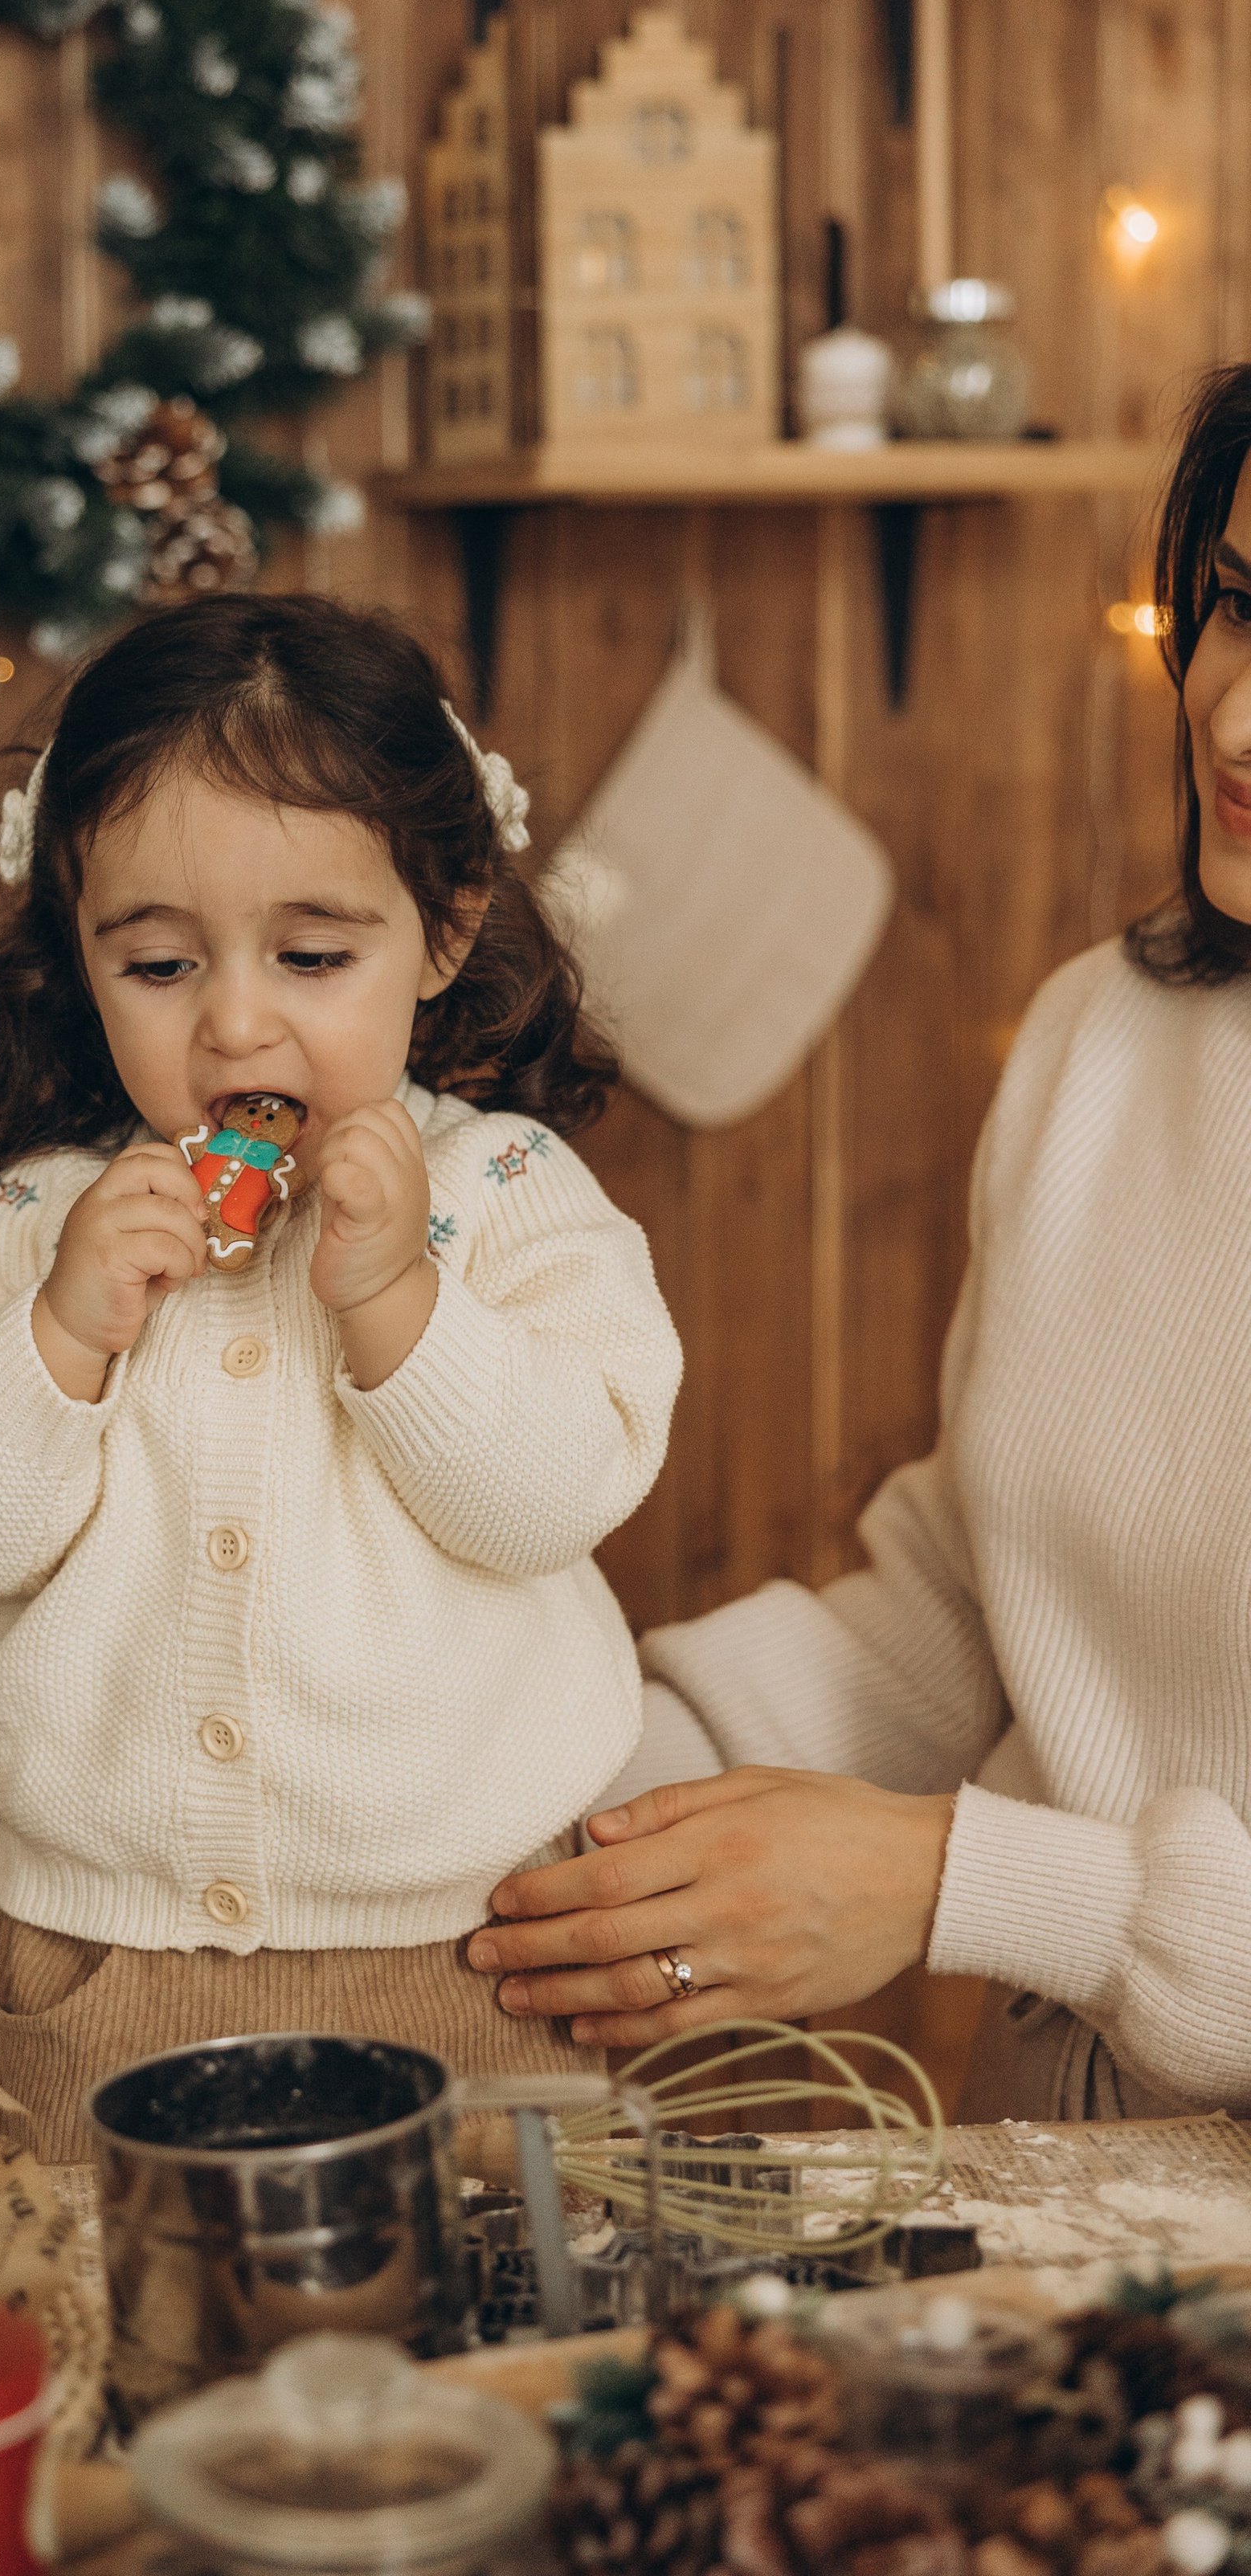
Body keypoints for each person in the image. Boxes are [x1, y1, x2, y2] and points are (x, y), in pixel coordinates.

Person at [464, 365, 1251, 2124]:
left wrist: (962, 1884)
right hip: (1056, 2202)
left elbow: (952, 1856)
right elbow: (970, 1601)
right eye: (1234, 606)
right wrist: (556, 1814)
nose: (1234, 716)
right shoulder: (1101, 1038)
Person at [0, 593, 683, 2158]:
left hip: (471, 1962)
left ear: (439, 928)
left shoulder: (503, 1194)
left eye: (310, 955)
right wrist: (64, 1333)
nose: (235, 1021)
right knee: (113, 2349)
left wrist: (394, 1303)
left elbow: (553, 1499)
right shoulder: (41, 1220)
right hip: (96, 1971)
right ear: (80, 958)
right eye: (158, 964)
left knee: (489, 2352)